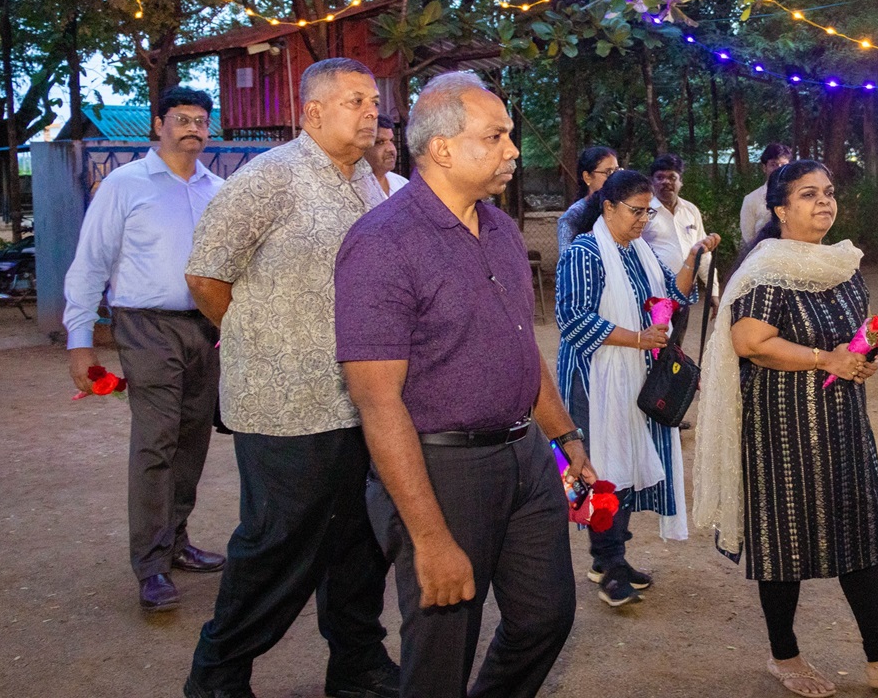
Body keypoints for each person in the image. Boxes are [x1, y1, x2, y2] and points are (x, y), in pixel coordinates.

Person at [336, 71, 595, 698]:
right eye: (495, 136)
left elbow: (521, 349)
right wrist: (429, 538)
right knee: (442, 649)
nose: (513, 150)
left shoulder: (500, 230)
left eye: (509, 135)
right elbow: (377, 402)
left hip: (526, 456)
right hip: (442, 469)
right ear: (443, 148)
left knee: (546, 617)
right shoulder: (381, 243)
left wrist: (566, 439)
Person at [181, 58, 397, 698]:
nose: (371, 111)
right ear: (313, 112)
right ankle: (217, 677)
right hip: (284, 405)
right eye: (355, 100)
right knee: (278, 544)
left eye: (374, 101)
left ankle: (356, 666)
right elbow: (205, 275)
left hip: (359, 400)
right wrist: (265, 339)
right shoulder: (268, 177)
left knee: (359, 540)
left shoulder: (369, 182)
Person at [695, 160, 878, 697]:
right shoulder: (769, 269)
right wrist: (825, 359)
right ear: (781, 209)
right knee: (783, 538)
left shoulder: (843, 264)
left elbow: (854, 334)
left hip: (844, 421)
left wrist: (858, 359)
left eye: (828, 192)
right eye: (809, 194)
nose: (824, 202)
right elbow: (751, 342)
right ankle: (784, 656)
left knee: (859, 530)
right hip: (781, 426)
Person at [63, 85, 226, 613]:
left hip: (205, 327)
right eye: (181, 118)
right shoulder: (125, 185)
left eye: (201, 120)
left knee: (193, 437)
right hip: (145, 325)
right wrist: (80, 341)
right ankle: (151, 565)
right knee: (156, 439)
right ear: (158, 124)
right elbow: (90, 262)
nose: (192, 128)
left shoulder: (218, 190)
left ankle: (176, 540)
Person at [554, 169, 719, 608]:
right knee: (601, 469)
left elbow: (673, 296)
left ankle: (612, 558)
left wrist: (693, 258)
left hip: (634, 374)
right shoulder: (585, 252)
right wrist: (637, 338)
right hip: (594, 380)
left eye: (649, 212)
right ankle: (609, 565)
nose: (644, 220)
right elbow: (573, 319)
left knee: (624, 464)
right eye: (636, 211)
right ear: (608, 207)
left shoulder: (638, 250)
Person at [642, 152, 716, 319]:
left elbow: (703, 254)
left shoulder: (691, 210)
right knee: (658, 335)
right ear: (652, 182)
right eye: (660, 177)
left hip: (685, 292)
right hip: (655, 293)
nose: (666, 182)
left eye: (672, 177)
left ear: (680, 181)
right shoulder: (644, 211)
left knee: (678, 335)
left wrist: (712, 290)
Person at [556, 146, 619, 252]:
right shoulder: (572, 217)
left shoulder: (624, 208)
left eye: (616, 171)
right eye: (608, 172)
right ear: (587, 177)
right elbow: (566, 258)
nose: (615, 177)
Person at [740, 143, 793, 245]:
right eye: (773, 165)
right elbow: (748, 238)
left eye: (784, 165)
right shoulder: (751, 199)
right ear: (764, 167)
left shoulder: (798, 197)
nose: (779, 169)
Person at [369, 115, 409, 196]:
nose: (391, 149)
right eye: (380, 142)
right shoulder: (356, 189)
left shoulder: (403, 185)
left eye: (391, 140)